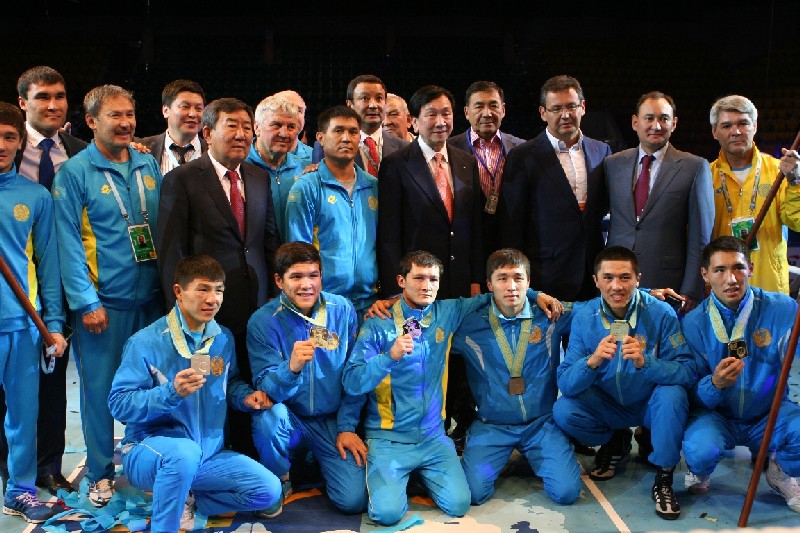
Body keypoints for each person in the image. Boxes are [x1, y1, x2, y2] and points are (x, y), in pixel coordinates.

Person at [108, 255, 282, 531]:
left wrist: (245, 397)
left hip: (206, 455)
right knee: (183, 453)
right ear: (178, 291)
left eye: (219, 290)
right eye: (203, 289)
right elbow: (119, 404)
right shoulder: (145, 342)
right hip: (150, 451)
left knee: (269, 491)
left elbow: (230, 382)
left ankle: (186, 496)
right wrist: (170, 392)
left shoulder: (222, 338)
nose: (212, 299)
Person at [53, 84, 163, 507]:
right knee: (99, 393)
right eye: (114, 115)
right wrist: (86, 302)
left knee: (149, 388)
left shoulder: (146, 163)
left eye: (129, 114)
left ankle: (142, 463)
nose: (125, 123)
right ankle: (100, 473)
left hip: (151, 301)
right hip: (104, 305)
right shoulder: (73, 174)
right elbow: (67, 244)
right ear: (91, 121)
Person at [156, 97, 281, 458]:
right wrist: (181, 315)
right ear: (208, 133)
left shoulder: (258, 177)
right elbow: (171, 252)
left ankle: (247, 457)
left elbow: (268, 241)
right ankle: (204, 462)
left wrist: (274, 298)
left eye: (247, 127)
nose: (241, 134)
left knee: (249, 386)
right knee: (207, 387)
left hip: (255, 306)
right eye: (232, 126)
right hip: (205, 310)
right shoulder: (182, 179)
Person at [552, 245, 697, 520]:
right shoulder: (585, 316)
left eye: (625, 277)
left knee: (673, 394)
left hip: (648, 404)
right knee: (564, 410)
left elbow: (687, 371)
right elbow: (566, 383)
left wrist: (646, 363)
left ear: (638, 279)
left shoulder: (661, 313)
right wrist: (592, 362)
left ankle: (664, 477)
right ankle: (616, 440)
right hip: (608, 404)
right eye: (608, 277)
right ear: (596, 281)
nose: (616, 286)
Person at [0, 65, 87, 497]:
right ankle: (11, 474)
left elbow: (54, 256)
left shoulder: (78, 155)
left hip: (41, 302)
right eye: (42, 97)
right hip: (18, 299)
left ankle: (41, 472)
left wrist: (55, 317)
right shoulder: (15, 157)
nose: (53, 105)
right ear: (24, 103)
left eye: (59, 96)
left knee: (42, 395)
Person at [451, 248, 581, 507]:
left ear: (529, 282)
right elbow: (427, 320)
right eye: (502, 278)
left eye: (518, 278)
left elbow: (596, 311)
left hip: (541, 425)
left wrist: (643, 294)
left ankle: (541, 453)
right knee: (473, 494)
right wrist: (387, 304)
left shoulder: (550, 315)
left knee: (566, 493)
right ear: (489, 285)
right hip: (492, 426)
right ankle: (491, 450)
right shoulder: (469, 325)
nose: (511, 286)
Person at [247, 242, 368, 516]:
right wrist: (290, 368)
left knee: (354, 500)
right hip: (290, 417)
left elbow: (355, 375)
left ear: (321, 276)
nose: (306, 285)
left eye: (313, 275)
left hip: (330, 421)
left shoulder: (342, 309)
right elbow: (265, 388)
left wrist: (347, 426)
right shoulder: (262, 321)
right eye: (296, 277)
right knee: (269, 417)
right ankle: (281, 478)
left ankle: (315, 464)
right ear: (279, 280)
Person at [681, 236, 800, 513]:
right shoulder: (693, 322)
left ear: (751, 269)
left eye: (738, 267)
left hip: (769, 413)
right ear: (705, 275)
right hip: (718, 416)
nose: (731, 279)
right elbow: (690, 393)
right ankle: (700, 469)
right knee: (700, 449)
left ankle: (781, 472)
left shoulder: (783, 308)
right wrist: (714, 384)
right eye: (720, 270)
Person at [0, 102, 66, 524]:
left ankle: (19, 491)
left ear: (20, 143)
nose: (1, 145)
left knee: (23, 418)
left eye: (9, 137)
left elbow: (49, 266)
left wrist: (54, 326)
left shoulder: (35, 196)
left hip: (23, 326)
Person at [498, 74, 611, 302]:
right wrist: (518, 277)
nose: (565, 115)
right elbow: (512, 223)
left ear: (583, 107)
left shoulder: (602, 151)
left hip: (594, 272)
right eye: (556, 108)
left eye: (571, 106)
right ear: (543, 113)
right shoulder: (523, 156)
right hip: (545, 274)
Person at [605, 91, 713, 312]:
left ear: (674, 123)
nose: (656, 125)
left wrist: (691, 290)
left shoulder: (694, 167)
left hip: (669, 285)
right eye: (649, 118)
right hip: (616, 281)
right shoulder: (612, 164)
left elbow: (701, 237)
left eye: (663, 118)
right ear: (635, 122)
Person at [378, 84, 483, 299]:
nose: (440, 122)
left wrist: (476, 278)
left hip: (461, 282)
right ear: (415, 122)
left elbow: (475, 227)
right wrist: (394, 289)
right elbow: (389, 235)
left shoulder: (467, 162)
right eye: (431, 114)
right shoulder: (395, 165)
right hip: (417, 284)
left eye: (446, 113)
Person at [286, 106, 379, 317]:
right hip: (325, 303)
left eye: (353, 132)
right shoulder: (306, 187)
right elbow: (297, 251)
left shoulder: (374, 186)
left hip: (371, 303)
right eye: (338, 131)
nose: (346, 138)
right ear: (320, 138)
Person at [708, 95, 800, 294]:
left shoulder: (780, 171)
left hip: (770, 288)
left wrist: (795, 182)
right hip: (723, 289)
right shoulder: (705, 176)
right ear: (715, 131)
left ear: (755, 126)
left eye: (743, 123)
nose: (736, 132)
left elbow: (798, 222)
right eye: (726, 126)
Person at [448, 80, 526, 261]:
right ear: (466, 112)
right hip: (467, 243)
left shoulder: (521, 148)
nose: (487, 113)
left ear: (503, 110)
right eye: (479, 106)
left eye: (493, 106)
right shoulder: (450, 148)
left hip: (511, 242)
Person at [311, 74, 408, 176]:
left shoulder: (405, 148)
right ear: (350, 105)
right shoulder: (325, 146)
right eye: (365, 98)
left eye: (379, 98)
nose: (373, 105)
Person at [245, 94, 305, 242]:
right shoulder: (239, 167)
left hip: (296, 254)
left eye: (291, 127)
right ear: (256, 127)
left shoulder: (305, 169)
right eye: (276, 125)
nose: (284, 133)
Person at [138, 79, 207, 176]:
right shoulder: (141, 149)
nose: (193, 114)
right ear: (166, 111)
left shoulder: (214, 152)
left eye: (198, 108)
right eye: (185, 106)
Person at [272, 89, 313, 167]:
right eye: (287, 108)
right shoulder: (247, 154)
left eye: (299, 111)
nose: (295, 115)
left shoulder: (315, 158)